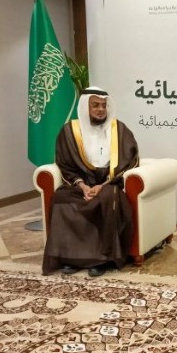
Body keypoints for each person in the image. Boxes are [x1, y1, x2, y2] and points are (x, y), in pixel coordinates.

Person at [42, 87, 140, 277]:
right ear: (85, 107)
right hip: (80, 182)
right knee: (61, 198)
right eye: (95, 105)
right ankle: (71, 257)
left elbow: (131, 161)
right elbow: (64, 164)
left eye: (103, 105)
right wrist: (83, 186)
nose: (100, 110)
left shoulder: (119, 129)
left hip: (109, 183)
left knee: (107, 199)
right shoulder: (69, 131)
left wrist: (102, 185)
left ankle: (101, 260)